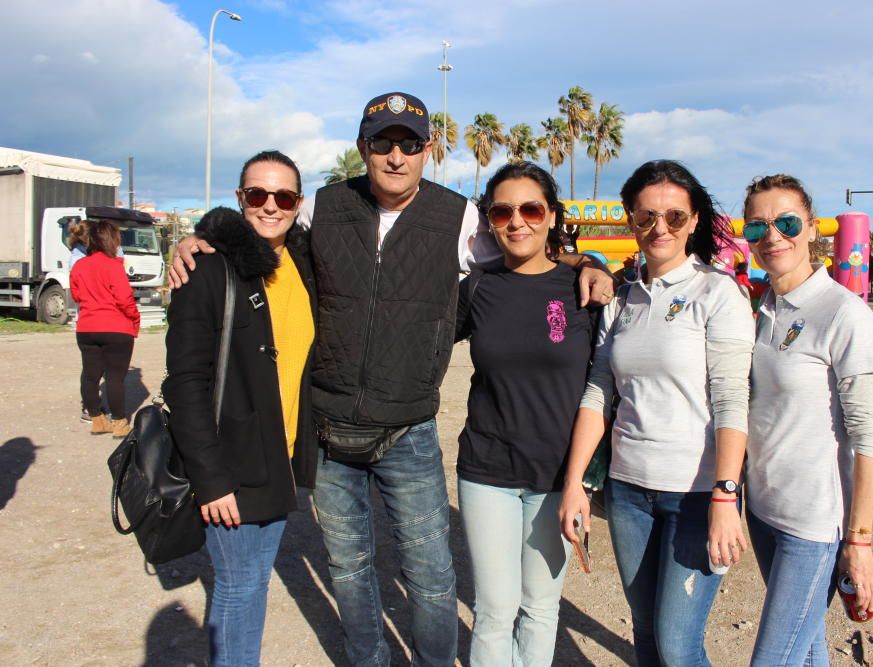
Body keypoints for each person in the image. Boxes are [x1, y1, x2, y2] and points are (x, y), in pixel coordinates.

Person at [167, 92, 614, 666]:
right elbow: (260, 223)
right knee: (348, 574)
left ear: (428, 150)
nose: (396, 156)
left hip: (408, 430)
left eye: (409, 143)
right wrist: (201, 236)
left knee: (431, 577)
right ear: (363, 149)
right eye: (383, 143)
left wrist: (590, 264)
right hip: (330, 433)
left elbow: (525, 247)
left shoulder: (461, 218)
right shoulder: (321, 207)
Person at [559, 159, 755, 666]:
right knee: (645, 633)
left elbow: (733, 399)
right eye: (646, 217)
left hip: (696, 495)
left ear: (693, 222)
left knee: (677, 643)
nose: (659, 228)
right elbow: (598, 393)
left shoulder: (718, 293)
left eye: (673, 216)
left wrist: (726, 493)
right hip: (628, 494)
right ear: (631, 220)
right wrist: (576, 480)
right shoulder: (621, 301)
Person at [162, 150, 317, 666]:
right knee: (239, 587)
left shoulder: (300, 262)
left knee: (249, 585)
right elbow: (184, 383)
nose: (270, 206)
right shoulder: (208, 269)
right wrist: (211, 478)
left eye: (284, 196)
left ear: (298, 204)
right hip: (232, 466)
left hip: (279, 458)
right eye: (257, 195)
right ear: (239, 199)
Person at [741, 174, 873, 666]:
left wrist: (859, 541)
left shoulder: (844, 314)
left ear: (810, 229)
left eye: (785, 222)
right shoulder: (764, 309)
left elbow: (869, 438)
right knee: (806, 653)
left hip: (814, 526)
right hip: (762, 511)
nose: (772, 236)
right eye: (757, 226)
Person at [454, 162, 593, 666]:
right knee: (495, 609)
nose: (517, 221)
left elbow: (605, 390)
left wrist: (588, 260)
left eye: (531, 209)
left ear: (552, 217)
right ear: (489, 221)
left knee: (539, 607)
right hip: (487, 470)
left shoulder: (585, 292)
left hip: (558, 476)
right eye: (502, 211)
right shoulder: (476, 290)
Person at [70, 220, 140, 437]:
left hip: (87, 326)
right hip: (115, 326)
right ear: (112, 239)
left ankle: (97, 419)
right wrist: (135, 318)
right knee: (115, 377)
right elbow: (124, 298)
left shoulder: (79, 265)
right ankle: (119, 423)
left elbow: (76, 295)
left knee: (91, 376)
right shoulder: (113, 265)